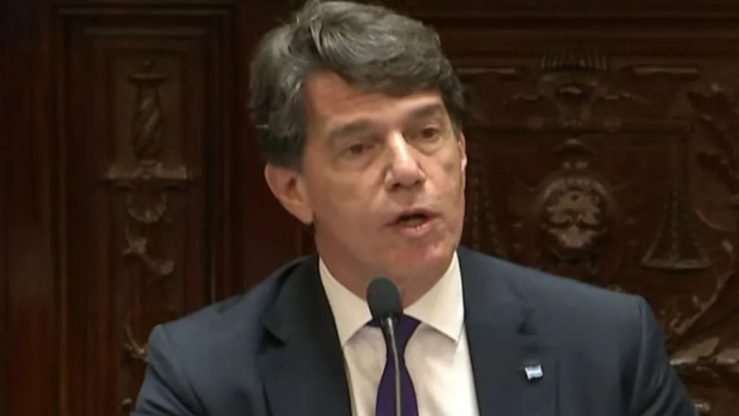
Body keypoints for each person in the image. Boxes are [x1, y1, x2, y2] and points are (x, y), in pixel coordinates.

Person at [132, 1, 698, 415]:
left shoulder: (606, 346)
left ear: (462, 151)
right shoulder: (203, 375)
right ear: (292, 190)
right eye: (360, 147)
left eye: (427, 133)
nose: (407, 169)